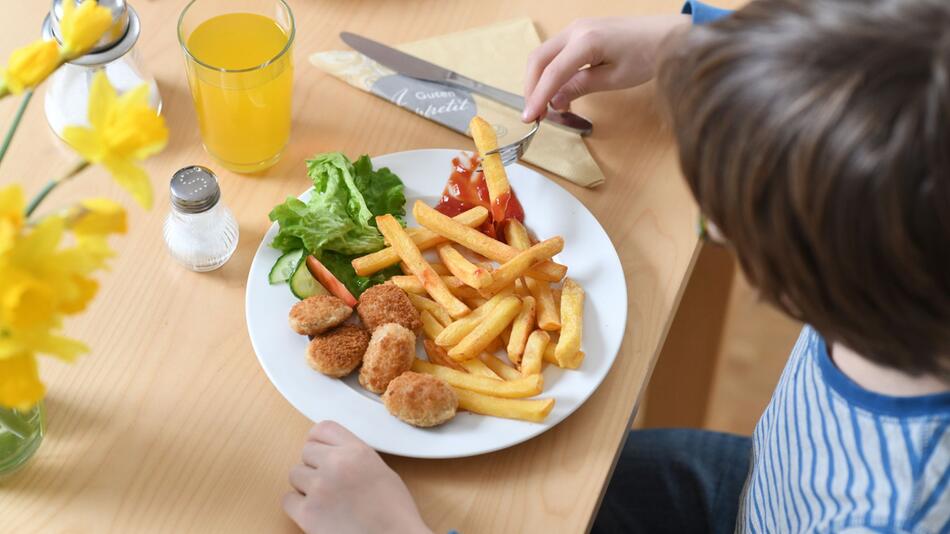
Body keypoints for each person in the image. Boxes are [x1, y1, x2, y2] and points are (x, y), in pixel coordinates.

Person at [282, 1, 950, 532]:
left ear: (817, 277)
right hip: (763, 486)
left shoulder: (887, 515)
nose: (712, 229)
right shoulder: (908, 262)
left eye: (724, 223)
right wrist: (694, 41)